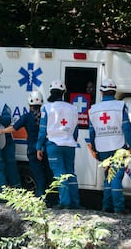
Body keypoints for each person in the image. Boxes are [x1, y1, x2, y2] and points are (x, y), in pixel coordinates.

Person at [88, 78, 131, 214]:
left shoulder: (94, 109)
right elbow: (127, 128)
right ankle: (119, 208)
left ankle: (106, 206)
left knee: (108, 176)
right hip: (118, 146)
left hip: (102, 147)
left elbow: (92, 131)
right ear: (114, 91)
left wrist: (95, 148)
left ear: (101, 92)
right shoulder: (119, 106)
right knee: (116, 177)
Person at [0, 91, 54, 198]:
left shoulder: (27, 117)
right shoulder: (47, 115)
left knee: (38, 175)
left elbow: (13, 128)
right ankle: (51, 198)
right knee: (48, 174)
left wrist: (0, 131)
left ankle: (41, 198)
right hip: (45, 148)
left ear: (29, 103)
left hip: (32, 149)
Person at [36, 79, 81, 209]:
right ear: (63, 92)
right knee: (70, 173)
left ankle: (65, 202)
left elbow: (43, 129)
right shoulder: (73, 108)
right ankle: (75, 202)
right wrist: (72, 140)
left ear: (51, 91)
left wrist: (39, 146)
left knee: (60, 174)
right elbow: (75, 129)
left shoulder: (47, 107)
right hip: (69, 145)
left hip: (53, 145)